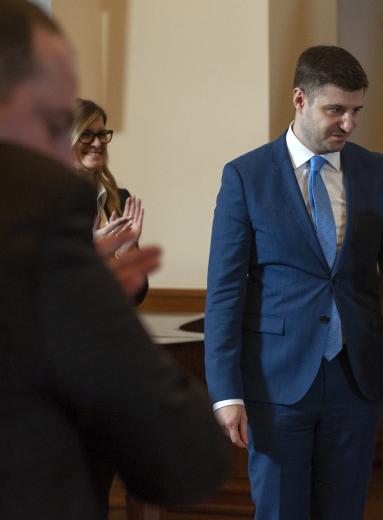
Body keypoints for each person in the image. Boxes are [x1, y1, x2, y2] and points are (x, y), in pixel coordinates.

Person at [0, 1, 228, 518]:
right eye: (59, 120)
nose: (85, 144)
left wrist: (109, 275)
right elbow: (186, 455)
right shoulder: (43, 218)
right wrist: (90, 274)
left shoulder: (93, 204)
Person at [205, 45, 383, 519]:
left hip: (355, 381)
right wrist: (226, 392)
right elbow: (225, 292)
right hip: (276, 383)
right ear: (300, 99)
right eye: (336, 110)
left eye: (356, 111)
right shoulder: (246, 176)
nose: (349, 124)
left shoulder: (377, 171)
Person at [72, 98, 148, 305]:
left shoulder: (119, 198)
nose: (97, 143)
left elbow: (136, 296)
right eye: (86, 134)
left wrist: (128, 253)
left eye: (102, 134)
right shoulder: (42, 199)